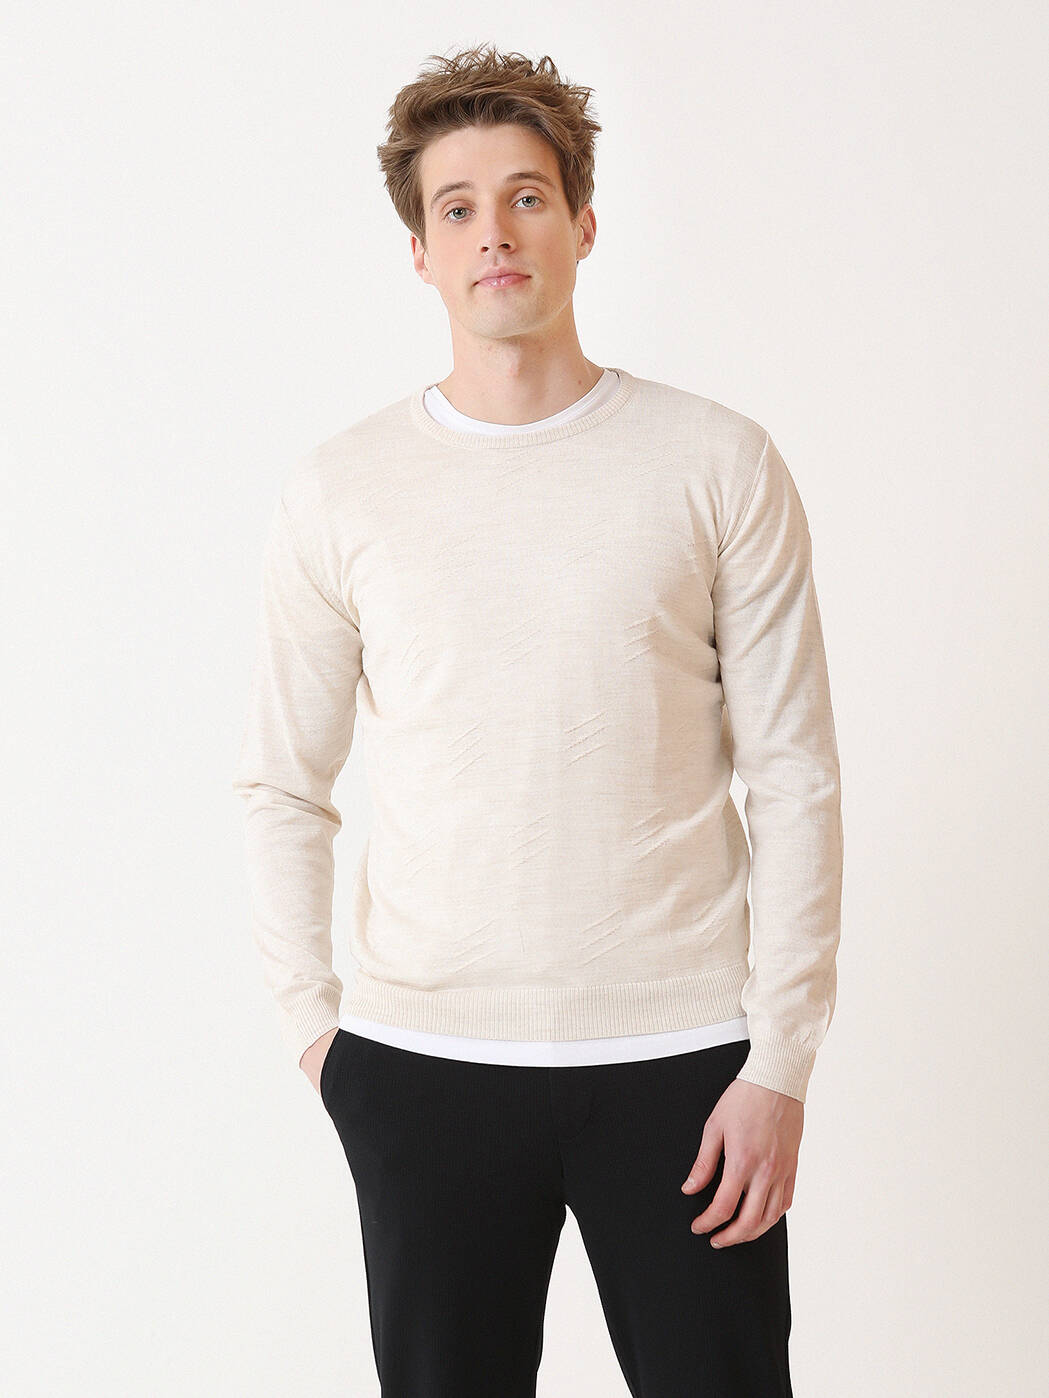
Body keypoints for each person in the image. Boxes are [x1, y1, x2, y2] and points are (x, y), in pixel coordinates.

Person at [232, 42, 843, 1398]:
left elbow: (795, 773)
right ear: (420, 252)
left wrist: (781, 1060)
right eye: (456, 207)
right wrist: (321, 1039)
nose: (494, 232)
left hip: (684, 1067)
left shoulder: (717, 462)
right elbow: (281, 783)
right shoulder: (342, 490)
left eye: (525, 196)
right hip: (424, 1066)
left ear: (582, 223)